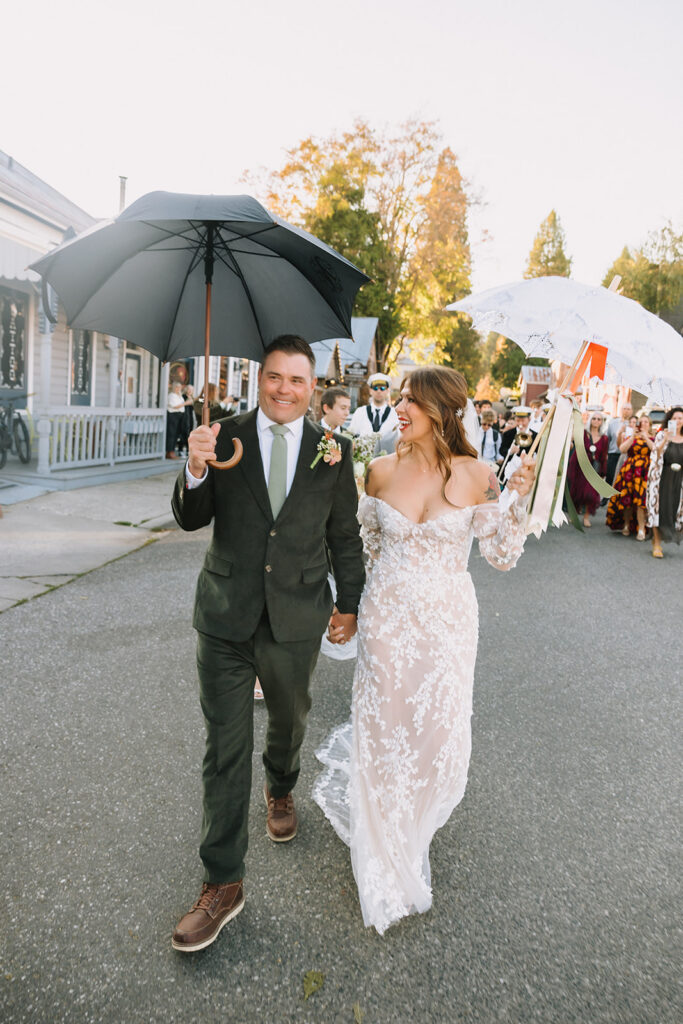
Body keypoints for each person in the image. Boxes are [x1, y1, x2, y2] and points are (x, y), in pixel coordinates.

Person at [313, 366, 535, 935]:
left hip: (447, 623)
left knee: (436, 732)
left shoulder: (475, 473)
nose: (399, 407)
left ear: (442, 411)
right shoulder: (379, 472)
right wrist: (348, 611)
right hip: (387, 617)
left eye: (412, 399)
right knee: (385, 723)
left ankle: (415, 820)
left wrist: (519, 500)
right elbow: (361, 550)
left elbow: (503, 555)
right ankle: (385, 838)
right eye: (399, 397)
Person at [170, 335, 365, 953]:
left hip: (298, 615)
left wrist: (349, 602)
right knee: (224, 747)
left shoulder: (334, 451)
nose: (285, 388)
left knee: (288, 717)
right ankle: (223, 882)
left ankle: (281, 784)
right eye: (274, 377)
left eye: (297, 380)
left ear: (314, 389)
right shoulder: (219, 434)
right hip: (225, 616)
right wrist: (196, 467)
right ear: (261, 381)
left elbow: (345, 533)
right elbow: (190, 517)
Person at [606, 413, 654, 540]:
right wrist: (633, 436)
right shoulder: (631, 436)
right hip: (630, 470)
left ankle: (641, 528)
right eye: (641, 422)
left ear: (649, 425)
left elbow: (655, 451)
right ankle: (626, 525)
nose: (643, 424)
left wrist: (646, 437)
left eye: (646, 422)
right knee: (627, 499)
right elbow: (622, 449)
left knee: (641, 501)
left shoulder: (653, 437)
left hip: (644, 472)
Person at [646, 406, 683, 557]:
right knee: (659, 509)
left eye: (680, 418)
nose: (677, 421)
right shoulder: (662, 435)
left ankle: (668, 535)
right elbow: (655, 455)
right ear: (669, 420)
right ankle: (657, 543)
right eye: (674, 418)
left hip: (680, 478)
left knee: (675, 509)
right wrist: (666, 440)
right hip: (663, 477)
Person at [566, 410, 608, 528]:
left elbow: (604, 456)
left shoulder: (604, 438)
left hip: (594, 469)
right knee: (577, 492)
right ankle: (573, 514)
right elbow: (572, 438)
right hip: (580, 466)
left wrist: (603, 472)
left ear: (602, 422)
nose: (596, 421)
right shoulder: (584, 433)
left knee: (590, 494)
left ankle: (586, 517)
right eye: (594, 418)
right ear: (590, 420)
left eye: (599, 419)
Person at [347, 372, 399, 450]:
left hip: (387, 459)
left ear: (388, 390)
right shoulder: (360, 412)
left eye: (382, 388)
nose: (378, 391)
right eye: (375, 388)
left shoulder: (395, 414)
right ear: (370, 390)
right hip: (362, 460)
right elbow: (351, 436)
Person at [604, 402, 633, 486]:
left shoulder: (633, 424)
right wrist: (606, 454)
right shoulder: (613, 423)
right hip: (613, 454)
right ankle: (606, 498)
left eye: (628, 409)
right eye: (624, 409)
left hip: (627, 455)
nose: (626, 411)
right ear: (621, 410)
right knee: (610, 477)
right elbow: (607, 439)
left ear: (631, 411)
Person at [166, 380, 193, 459]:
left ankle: (174, 451)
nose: (178, 389)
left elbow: (197, 401)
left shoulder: (181, 396)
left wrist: (193, 399)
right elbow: (175, 406)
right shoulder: (173, 395)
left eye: (180, 388)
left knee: (178, 434)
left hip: (184, 417)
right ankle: (171, 451)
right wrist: (186, 403)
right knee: (172, 433)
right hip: (174, 415)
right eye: (177, 387)